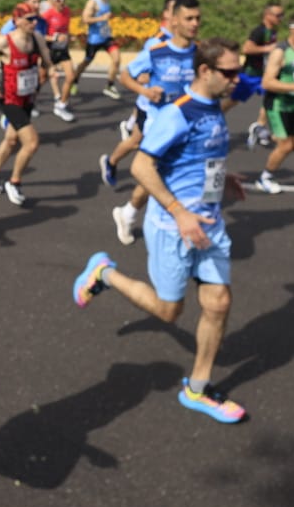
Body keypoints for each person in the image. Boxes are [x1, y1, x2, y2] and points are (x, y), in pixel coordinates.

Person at [73, 39, 249, 424]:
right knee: (169, 311)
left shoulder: (213, 108)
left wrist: (222, 179)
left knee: (218, 303)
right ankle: (104, 273)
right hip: (173, 227)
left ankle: (197, 389)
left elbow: (202, 155)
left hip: (208, 223)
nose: (237, 79)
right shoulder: (177, 113)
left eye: (239, 71)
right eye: (230, 72)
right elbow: (141, 167)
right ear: (205, 71)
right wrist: (180, 213)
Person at [104, 0, 200, 243]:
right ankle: (137, 213)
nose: (194, 23)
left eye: (197, 18)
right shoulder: (156, 49)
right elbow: (126, 76)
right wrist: (145, 90)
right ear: (173, 19)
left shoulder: (199, 54)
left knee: (168, 173)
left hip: (186, 123)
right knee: (155, 171)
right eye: (189, 18)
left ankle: (130, 213)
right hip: (157, 121)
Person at [0, 3, 57, 206]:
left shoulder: (37, 38)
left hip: (28, 98)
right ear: (17, 20)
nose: (34, 23)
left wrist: (51, 70)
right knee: (31, 143)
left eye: (35, 19)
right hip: (9, 99)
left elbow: (47, 61)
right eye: (29, 19)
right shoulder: (5, 41)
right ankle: (15, 182)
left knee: (11, 140)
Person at [254, 12, 294, 195]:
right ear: (293, 29)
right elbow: (267, 83)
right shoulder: (280, 52)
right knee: (286, 146)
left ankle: (263, 133)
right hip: (277, 105)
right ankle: (265, 178)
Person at [237, 3, 285, 148]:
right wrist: (268, 48)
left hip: (264, 74)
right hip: (250, 74)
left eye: (282, 15)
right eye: (278, 15)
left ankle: (259, 127)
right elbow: (247, 48)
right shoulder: (259, 31)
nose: (281, 18)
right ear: (267, 15)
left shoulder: (273, 31)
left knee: (272, 98)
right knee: (232, 101)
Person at [66, 0, 122, 100]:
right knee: (86, 62)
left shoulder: (106, 0)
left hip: (106, 37)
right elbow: (85, 19)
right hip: (94, 39)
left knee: (117, 59)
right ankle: (74, 80)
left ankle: (110, 86)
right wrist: (101, 18)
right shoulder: (92, 2)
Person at [40, 0, 76, 120]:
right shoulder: (47, 14)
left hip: (62, 49)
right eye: (59, 0)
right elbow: (40, 35)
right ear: (53, 1)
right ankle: (28, 101)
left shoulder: (67, 12)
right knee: (42, 78)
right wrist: (54, 38)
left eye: (64, 0)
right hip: (50, 49)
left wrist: (69, 37)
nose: (62, 3)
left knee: (71, 76)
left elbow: (65, 29)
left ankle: (61, 105)